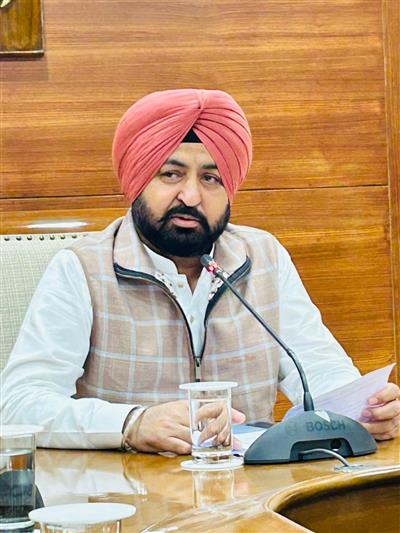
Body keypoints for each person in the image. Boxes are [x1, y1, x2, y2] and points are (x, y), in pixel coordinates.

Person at [1, 89, 399, 453]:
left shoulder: (264, 256)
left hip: (253, 490)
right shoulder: (83, 268)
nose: (191, 196)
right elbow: (19, 404)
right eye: (171, 175)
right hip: (129, 493)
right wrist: (131, 423)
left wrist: (363, 410)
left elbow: (318, 368)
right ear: (137, 180)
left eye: (210, 178)